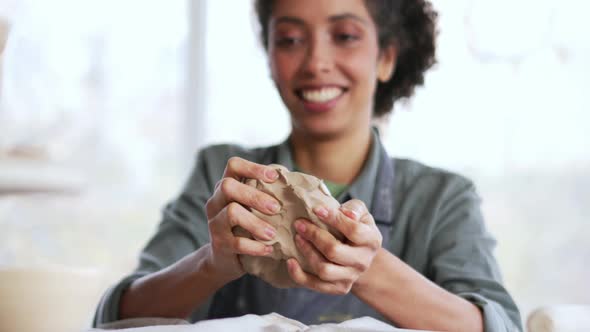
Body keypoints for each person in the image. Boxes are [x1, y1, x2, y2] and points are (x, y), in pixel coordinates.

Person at [94, 0, 522, 331]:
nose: (316, 62)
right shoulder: (221, 175)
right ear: (269, 58)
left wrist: (368, 269)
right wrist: (214, 263)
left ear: (387, 57)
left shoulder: (442, 199)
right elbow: (116, 317)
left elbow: (501, 326)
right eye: (291, 39)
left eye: (346, 35)